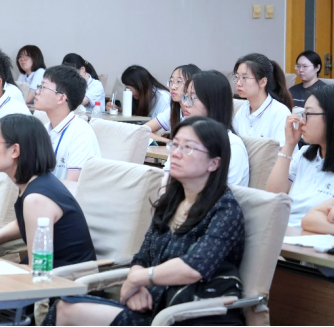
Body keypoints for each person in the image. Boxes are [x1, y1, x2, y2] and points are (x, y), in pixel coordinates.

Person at [47, 117, 245, 326]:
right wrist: (137, 285)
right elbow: (143, 257)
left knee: (67, 311)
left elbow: (195, 267)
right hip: (154, 308)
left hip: (192, 315)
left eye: (188, 148)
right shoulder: (171, 200)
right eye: (175, 144)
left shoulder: (225, 210)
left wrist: (139, 279)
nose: (176, 153)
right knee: (63, 307)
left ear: (214, 163)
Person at [0, 114, 95, 268]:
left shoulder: (36, 199)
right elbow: (24, 222)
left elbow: (37, 269)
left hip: (64, 280)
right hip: (51, 275)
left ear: (15, 150)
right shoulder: (38, 183)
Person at [266, 86, 334, 228]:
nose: (301, 121)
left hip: (313, 235)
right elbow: (273, 194)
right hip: (284, 228)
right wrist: (289, 144)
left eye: (307, 114)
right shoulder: (304, 154)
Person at [179, 71, 250, 187]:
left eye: (192, 98)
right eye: (185, 97)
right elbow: (168, 177)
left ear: (213, 102)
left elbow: (224, 194)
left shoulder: (232, 146)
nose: (186, 104)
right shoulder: (184, 137)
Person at [33, 66, 101, 181]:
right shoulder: (44, 129)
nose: (37, 91)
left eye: (43, 87)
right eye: (39, 86)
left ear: (61, 98)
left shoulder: (80, 133)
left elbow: (72, 185)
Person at [232, 53, 293, 147]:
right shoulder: (241, 111)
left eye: (244, 78)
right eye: (237, 77)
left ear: (263, 82)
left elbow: (283, 151)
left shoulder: (280, 113)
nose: (238, 83)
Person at [145, 65, 201, 143]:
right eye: (171, 81)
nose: (173, 87)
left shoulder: (198, 110)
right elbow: (143, 130)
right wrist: (171, 143)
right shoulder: (174, 110)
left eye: (179, 82)